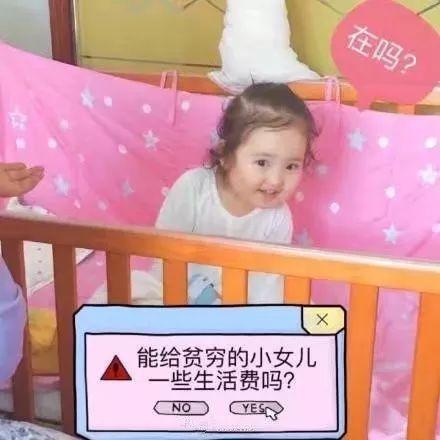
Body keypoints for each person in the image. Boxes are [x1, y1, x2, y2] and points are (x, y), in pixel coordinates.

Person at [146, 82, 318, 305]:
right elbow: (163, 256)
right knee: (131, 290)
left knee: (300, 307)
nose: (276, 180)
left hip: (241, 302)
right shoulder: (194, 188)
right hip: (175, 291)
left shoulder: (278, 217)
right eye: (262, 162)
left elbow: (267, 285)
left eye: (291, 166)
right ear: (226, 156)